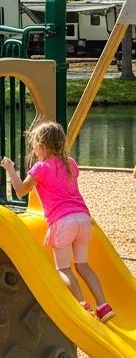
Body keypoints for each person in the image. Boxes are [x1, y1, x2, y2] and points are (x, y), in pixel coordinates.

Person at [1, 121, 114, 321]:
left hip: (63, 222)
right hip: (83, 219)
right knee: (84, 266)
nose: (33, 149)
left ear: (42, 146)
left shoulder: (41, 167)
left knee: (63, 268)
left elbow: (20, 192)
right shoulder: (70, 163)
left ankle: (82, 305)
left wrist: (10, 169)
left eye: (35, 145)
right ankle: (103, 306)